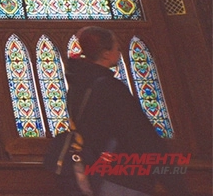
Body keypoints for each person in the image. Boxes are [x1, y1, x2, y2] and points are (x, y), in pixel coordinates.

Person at [65, 27, 189, 196]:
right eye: (116, 47)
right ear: (106, 54)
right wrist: (175, 184)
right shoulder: (110, 88)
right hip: (124, 179)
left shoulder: (76, 88)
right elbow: (140, 137)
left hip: (94, 177)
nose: (119, 51)